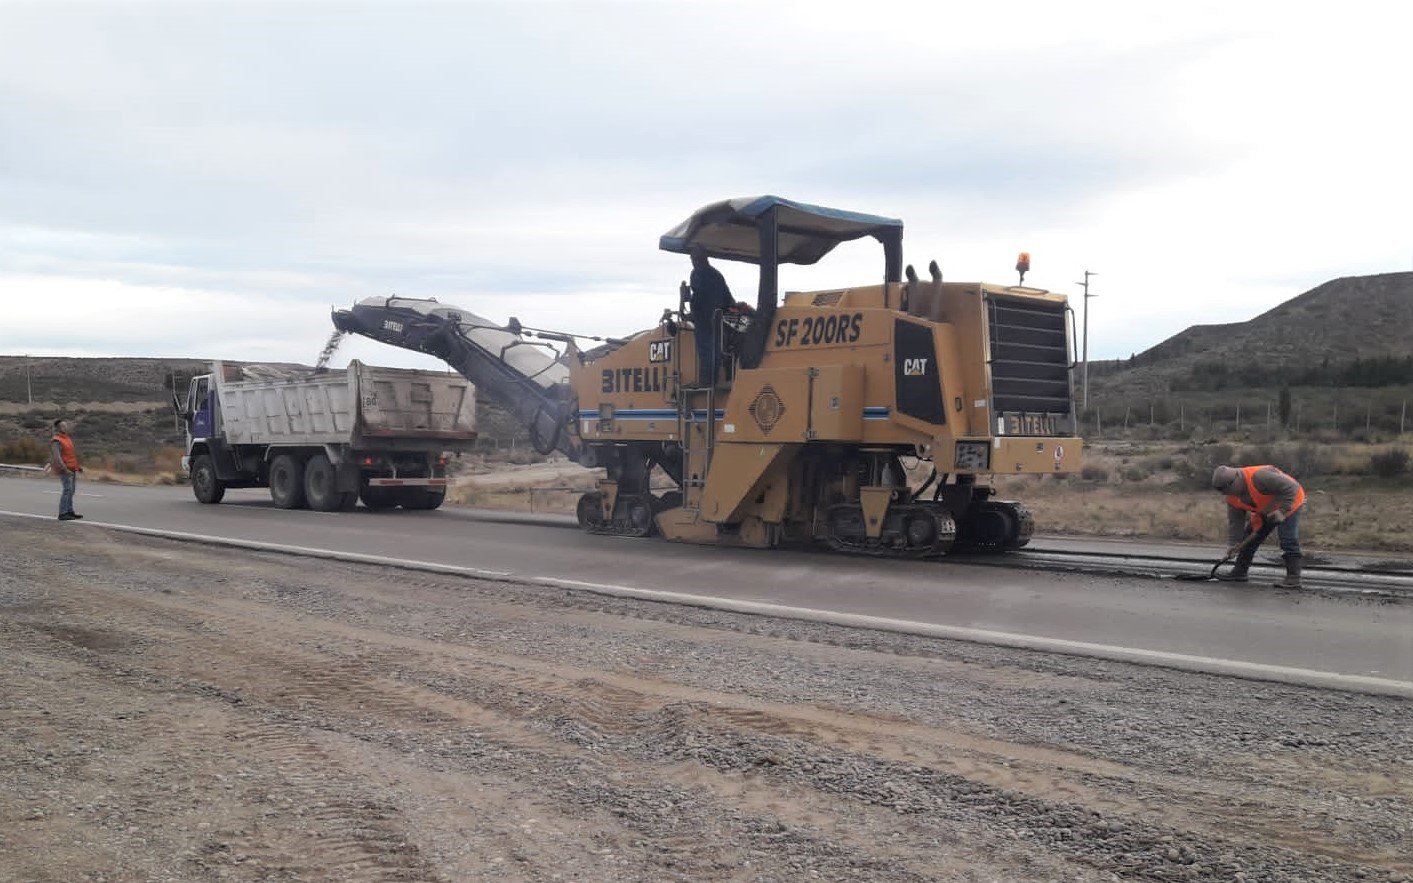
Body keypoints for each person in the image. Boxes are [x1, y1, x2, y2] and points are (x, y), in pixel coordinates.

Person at [1211, 464, 1306, 588]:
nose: (1226, 494)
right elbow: (1236, 523)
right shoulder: (1231, 497)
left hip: (1290, 502)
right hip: (1265, 508)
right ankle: (1239, 572)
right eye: (1222, 492)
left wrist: (1283, 510)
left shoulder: (1260, 477)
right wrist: (1234, 543)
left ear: (1236, 478)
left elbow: (1292, 487)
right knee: (1249, 537)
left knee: (1288, 539)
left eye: (1227, 489)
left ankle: (1293, 578)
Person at [687, 245, 733, 386]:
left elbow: (698, 297)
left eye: (695, 259)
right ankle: (716, 378)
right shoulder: (717, 275)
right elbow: (728, 299)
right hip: (719, 319)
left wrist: (692, 314)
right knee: (716, 349)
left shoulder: (698, 273)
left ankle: (707, 382)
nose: (694, 262)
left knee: (706, 351)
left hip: (706, 320)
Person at [50, 418, 83, 521]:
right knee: (67, 490)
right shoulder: (56, 440)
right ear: (58, 428)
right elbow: (57, 457)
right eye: (63, 426)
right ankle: (63, 513)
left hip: (72, 468)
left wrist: (78, 467)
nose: (65, 427)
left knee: (71, 491)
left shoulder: (67, 439)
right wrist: (64, 469)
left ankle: (69, 511)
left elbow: (71, 455)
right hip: (65, 470)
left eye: (66, 425)